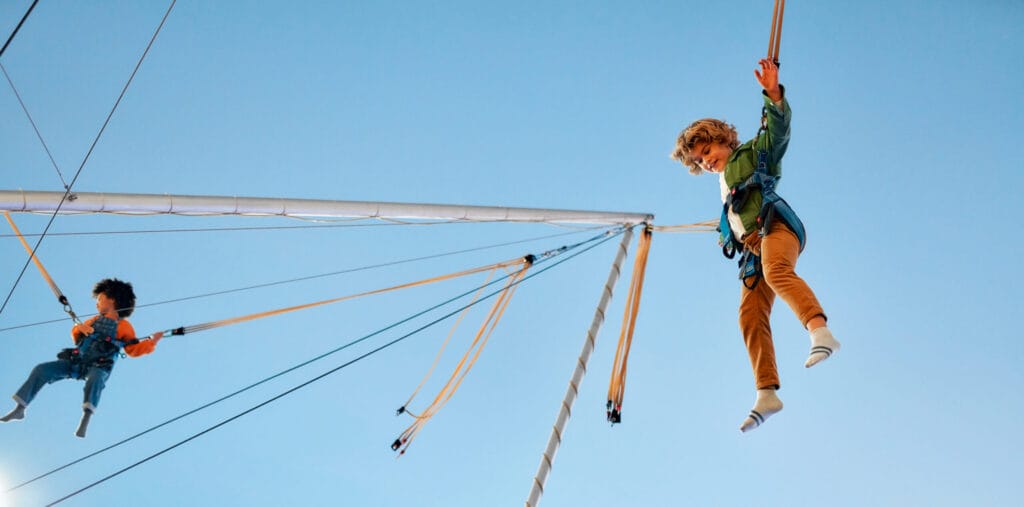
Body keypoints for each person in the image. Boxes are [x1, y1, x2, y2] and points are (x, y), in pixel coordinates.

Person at [672, 59, 840, 432]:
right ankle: (767, 392)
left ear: (722, 139)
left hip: (776, 229)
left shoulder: (752, 154)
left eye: (708, 150)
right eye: (700, 160)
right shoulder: (723, 191)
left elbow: (777, 133)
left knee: (777, 271)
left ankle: (820, 331)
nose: (707, 161)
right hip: (752, 249)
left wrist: (773, 95)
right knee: (749, 315)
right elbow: (732, 219)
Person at [0, 278, 164, 437]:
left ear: (112, 300)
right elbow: (77, 337)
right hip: (77, 360)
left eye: (100, 299)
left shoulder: (124, 327)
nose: (97, 303)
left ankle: (86, 417)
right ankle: (20, 408)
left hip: (98, 365)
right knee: (42, 369)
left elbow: (133, 349)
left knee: (96, 379)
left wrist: (152, 342)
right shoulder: (94, 320)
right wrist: (80, 329)